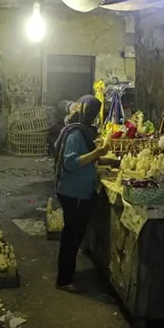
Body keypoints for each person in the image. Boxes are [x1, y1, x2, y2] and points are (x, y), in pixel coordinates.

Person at [53, 95, 108, 290]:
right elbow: (70, 163)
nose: (94, 117)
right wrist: (97, 153)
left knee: (74, 235)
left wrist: (100, 157)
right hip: (73, 193)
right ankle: (64, 279)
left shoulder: (82, 132)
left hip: (77, 192)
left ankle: (67, 273)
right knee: (72, 236)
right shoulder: (76, 134)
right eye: (93, 113)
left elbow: (83, 157)